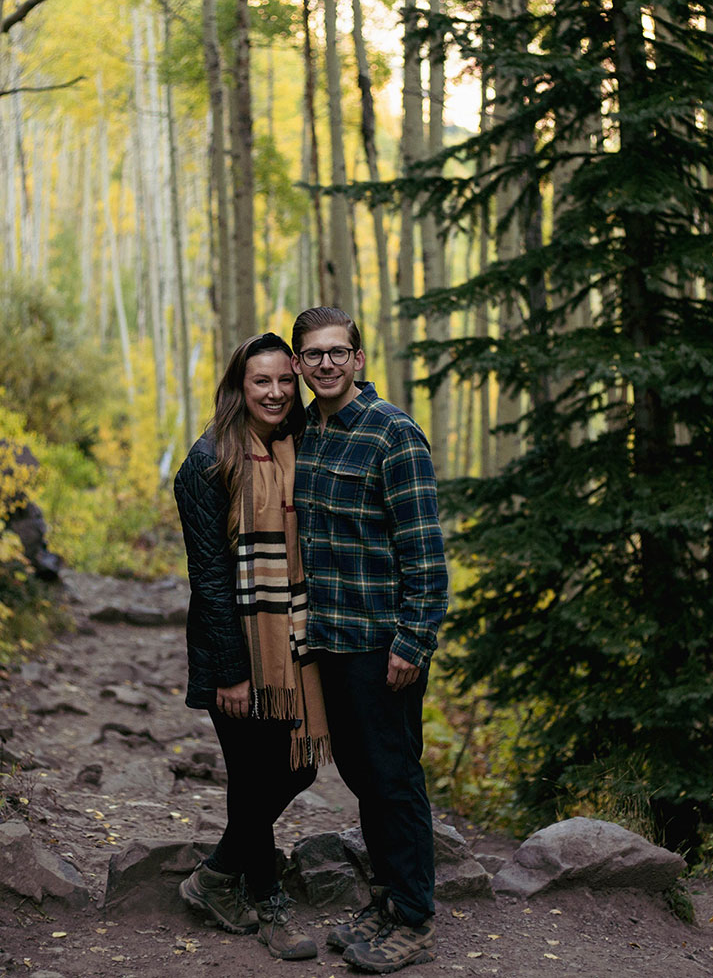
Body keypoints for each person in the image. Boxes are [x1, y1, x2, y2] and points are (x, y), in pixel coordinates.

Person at [290, 307, 448, 974]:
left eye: (337, 352)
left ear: (357, 358)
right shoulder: (307, 432)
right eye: (312, 354)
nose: (325, 364)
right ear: (299, 364)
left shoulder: (394, 435)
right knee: (360, 776)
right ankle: (385, 898)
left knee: (393, 778)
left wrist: (413, 641)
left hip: (382, 645)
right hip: (328, 639)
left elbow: (426, 555)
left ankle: (414, 916)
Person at [172, 332, 330, 962]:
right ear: (240, 388)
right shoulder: (208, 461)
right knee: (255, 773)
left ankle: (214, 877)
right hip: (232, 647)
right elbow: (207, 575)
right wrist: (233, 674)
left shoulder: (301, 447)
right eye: (260, 381)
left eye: (284, 380)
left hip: (293, 645)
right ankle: (268, 902)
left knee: (299, 766)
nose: (275, 392)